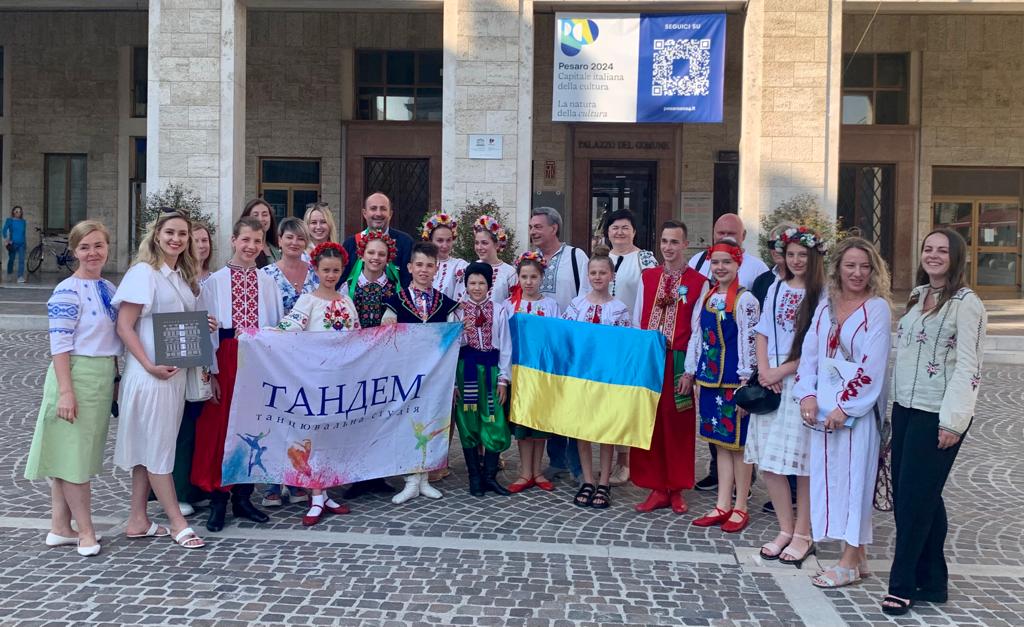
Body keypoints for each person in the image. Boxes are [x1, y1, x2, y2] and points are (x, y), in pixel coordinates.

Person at [881, 229, 986, 616]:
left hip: (938, 413)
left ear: (956, 257)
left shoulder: (967, 304)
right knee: (920, 496)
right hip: (906, 408)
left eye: (943, 250)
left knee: (913, 502)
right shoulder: (917, 295)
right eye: (928, 249)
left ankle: (902, 584)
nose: (934, 255)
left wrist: (954, 421)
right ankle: (934, 581)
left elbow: (970, 367)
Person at [794, 236, 892, 589]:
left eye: (865, 266)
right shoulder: (826, 307)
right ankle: (858, 555)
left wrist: (845, 407)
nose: (857, 273)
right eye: (850, 265)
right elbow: (810, 354)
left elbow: (872, 365)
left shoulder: (877, 309)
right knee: (830, 480)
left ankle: (848, 561)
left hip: (856, 415)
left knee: (855, 482)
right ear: (838, 268)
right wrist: (807, 394)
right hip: (822, 412)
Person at [113, 208, 209, 550]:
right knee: (158, 449)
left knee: (151, 448)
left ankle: (138, 520)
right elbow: (124, 326)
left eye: (182, 234)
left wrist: (204, 325)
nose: (176, 239)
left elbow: (179, 325)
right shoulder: (144, 273)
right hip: (150, 376)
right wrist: (149, 364)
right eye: (170, 232)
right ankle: (178, 522)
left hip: (174, 376)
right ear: (157, 235)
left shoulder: (181, 276)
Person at [24, 221, 120, 557]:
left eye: (98, 246)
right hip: (76, 376)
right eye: (85, 247)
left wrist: (115, 379)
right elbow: (60, 345)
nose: (93, 253)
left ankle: (60, 527)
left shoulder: (108, 287)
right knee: (74, 458)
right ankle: (86, 531)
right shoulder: (67, 290)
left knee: (71, 455)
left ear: (107, 248)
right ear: (74, 251)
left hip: (100, 376)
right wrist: (66, 392)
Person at [192, 216, 284, 532]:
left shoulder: (268, 282)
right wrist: (212, 373)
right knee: (221, 429)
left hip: (256, 361)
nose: (251, 246)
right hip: (225, 359)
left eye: (257, 241)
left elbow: (276, 328)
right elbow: (205, 332)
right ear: (233, 240)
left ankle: (243, 497)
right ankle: (218, 499)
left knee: (252, 428)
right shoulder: (214, 282)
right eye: (245, 240)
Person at [744, 227, 826, 566]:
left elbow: (818, 345)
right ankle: (785, 528)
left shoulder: (821, 294)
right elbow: (763, 331)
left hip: (801, 378)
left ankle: (803, 533)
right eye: (791, 254)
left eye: (802, 255)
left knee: (802, 462)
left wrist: (783, 371)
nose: (796, 260)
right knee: (770, 460)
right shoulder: (776, 286)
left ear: (814, 257)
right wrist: (765, 370)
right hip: (771, 378)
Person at [276, 242, 360, 525]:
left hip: (341, 378)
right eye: (326, 270)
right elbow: (289, 328)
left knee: (333, 435)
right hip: (315, 378)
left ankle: (324, 492)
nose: (331, 275)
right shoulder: (308, 301)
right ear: (315, 269)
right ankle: (315, 494)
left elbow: (357, 337)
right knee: (315, 435)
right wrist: (261, 335)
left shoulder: (347, 301)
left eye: (336, 270)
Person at [629, 221, 708, 514]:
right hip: (651, 359)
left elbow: (698, 330)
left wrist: (690, 371)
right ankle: (656, 487)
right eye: (664, 241)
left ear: (685, 244)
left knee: (678, 425)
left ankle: (676, 487)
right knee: (649, 422)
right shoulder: (648, 277)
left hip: (678, 360)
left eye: (674, 242)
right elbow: (637, 320)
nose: (668, 247)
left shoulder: (699, 282)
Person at [688, 213, 769, 492]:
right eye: (716, 262)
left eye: (726, 262)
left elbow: (750, 341)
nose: (720, 267)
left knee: (739, 444)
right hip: (711, 380)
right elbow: (698, 333)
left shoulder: (746, 299)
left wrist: (747, 383)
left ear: (738, 263)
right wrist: (693, 370)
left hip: (735, 381)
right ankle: (723, 500)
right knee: (720, 441)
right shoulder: (708, 296)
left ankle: (741, 501)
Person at [381, 241, 460, 504]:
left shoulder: (445, 304)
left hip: (435, 377)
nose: (424, 270)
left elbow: (453, 343)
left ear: (436, 269)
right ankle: (410, 479)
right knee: (408, 424)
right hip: (406, 375)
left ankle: (425, 477)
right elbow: (386, 339)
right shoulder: (395, 302)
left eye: (429, 265)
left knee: (432, 422)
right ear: (409, 267)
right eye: (419, 265)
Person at [562, 247, 631, 509]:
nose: (598, 277)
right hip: (582, 376)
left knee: (605, 429)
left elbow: (625, 344)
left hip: (608, 378)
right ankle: (588, 479)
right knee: (583, 429)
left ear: (612, 276)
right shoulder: (577, 305)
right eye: (594, 273)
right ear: (588, 275)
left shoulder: (619, 309)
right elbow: (566, 337)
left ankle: (604, 481)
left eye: (603, 272)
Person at [260, 217, 318, 509]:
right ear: (279, 240)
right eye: (289, 237)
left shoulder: (316, 274)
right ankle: (273, 481)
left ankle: (296, 479)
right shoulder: (266, 274)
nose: (294, 243)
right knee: (276, 416)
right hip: (276, 357)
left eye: (300, 238)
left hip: (308, 358)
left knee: (301, 417)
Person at [338, 229, 401, 500]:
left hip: (385, 361)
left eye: (381, 254)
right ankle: (357, 475)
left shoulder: (394, 288)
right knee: (358, 416)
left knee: (381, 415)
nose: (376, 258)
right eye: (371, 252)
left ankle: (378, 474)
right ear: (362, 255)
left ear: (388, 258)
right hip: (359, 361)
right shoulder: (349, 287)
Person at [529, 206, 590, 483]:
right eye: (531, 227)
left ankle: (578, 465)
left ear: (554, 228)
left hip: (571, 340)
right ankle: (556, 460)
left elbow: (587, 294)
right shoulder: (529, 259)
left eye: (538, 226)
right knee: (550, 400)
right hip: (542, 345)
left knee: (574, 401)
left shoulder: (576, 256)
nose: (533, 231)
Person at [452, 261, 512, 497]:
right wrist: (453, 383)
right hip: (466, 371)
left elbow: (505, 346)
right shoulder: (457, 311)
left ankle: (489, 476)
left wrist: (503, 379)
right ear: (466, 285)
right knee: (468, 419)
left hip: (490, 371)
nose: (476, 288)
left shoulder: (499, 310)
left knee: (493, 418)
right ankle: (474, 477)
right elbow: (451, 347)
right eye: (472, 283)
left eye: (481, 283)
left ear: (489, 285)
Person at [503, 251, 561, 493]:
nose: (528, 282)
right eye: (524, 277)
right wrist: (504, 375)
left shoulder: (550, 306)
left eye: (534, 277)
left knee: (539, 424)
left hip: (541, 374)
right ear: (518, 278)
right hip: (519, 372)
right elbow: (505, 341)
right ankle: (525, 471)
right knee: (523, 424)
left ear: (542, 278)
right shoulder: (509, 306)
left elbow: (556, 339)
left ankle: (537, 470)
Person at [169, 222, 216, 518]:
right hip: (179, 359)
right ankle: (178, 491)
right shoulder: (177, 278)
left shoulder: (212, 278)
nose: (201, 245)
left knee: (200, 428)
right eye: (195, 240)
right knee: (182, 429)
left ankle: (196, 487)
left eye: (205, 240)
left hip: (204, 361)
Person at [342, 192, 415, 287]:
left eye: (383, 209)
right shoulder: (350, 244)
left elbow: (409, 280)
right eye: (373, 208)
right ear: (364, 213)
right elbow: (342, 280)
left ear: (390, 214)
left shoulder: (406, 243)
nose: (378, 213)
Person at [422, 212, 468, 300]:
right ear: (430, 241)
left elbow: (460, 300)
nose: (445, 245)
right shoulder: (421, 265)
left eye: (448, 240)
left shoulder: (460, 266)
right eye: (440, 240)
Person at [472, 215, 518, 303]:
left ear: (497, 245)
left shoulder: (509, 272)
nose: (479, 247)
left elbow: (514, 303)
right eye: (476, 243)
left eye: (484, 243)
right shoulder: (471, 268)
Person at [240, 198, 281, 268]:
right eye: (255, 215)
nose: (260, 219)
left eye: (265, 215)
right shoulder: (245, 249)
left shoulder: (275, 249)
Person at [3, 205, 27, 283]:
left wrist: (25, 243)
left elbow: (23, 233)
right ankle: (9, 273)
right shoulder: (9, 220)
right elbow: (4, 230)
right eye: (16, 211)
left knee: (21, 261)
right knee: (11, 259)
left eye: (20, 211)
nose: (18, 213)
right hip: (13, 243)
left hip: (21, 244)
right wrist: (6, 239)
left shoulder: (23, 221)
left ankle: (20, 277)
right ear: (13, 212)